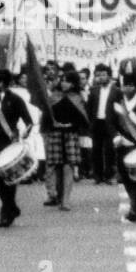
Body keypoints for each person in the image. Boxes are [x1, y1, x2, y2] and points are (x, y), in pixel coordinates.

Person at [0, 70, 33, 227]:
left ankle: (6, 213)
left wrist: (26, 132)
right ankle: (12, 206)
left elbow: (28, 121)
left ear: (1, 82)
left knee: (9, 179)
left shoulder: (16, 100)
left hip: (9, 143)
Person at [109, 71, 136, 222]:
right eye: (124, 85)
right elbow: (111, 121)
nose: (126, 88)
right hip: (122, 143)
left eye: (130, 85)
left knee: (135, 176)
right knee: (125, 176)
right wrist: (115, 136)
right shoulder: (117, 101)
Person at [44, 71, 89, 211]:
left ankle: (66, 200)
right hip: (55, 134)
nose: (64, 83)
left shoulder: (78, 98)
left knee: (68, 167)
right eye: (62, 80)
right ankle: (57, 195)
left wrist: (71, 125)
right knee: (56, 167)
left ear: (73, 83)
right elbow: (46, 117)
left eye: (68, 81)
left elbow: (83, 119)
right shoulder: (53, 97)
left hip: (70, 134)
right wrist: (53, 124)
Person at [86, 64, 118, 184]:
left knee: (109, 150)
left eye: (104, 75)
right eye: (99, 75)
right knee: (96, 150)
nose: (101, 77)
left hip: (110, 123)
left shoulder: (116, 91)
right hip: (97, 123)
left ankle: (109, 175)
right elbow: (89, 108)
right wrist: (89, 124)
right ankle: (97, 176)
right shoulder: (93, 90)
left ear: (109, 76)